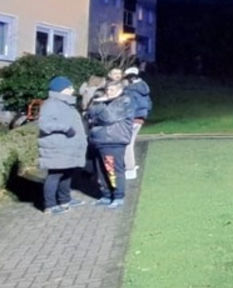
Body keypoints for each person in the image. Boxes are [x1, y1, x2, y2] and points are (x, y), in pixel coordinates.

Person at [38, 76, 88, 215]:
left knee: (67, 173)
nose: (72, 90)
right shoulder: (51, 104)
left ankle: (65, 200)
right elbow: (44, 125)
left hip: (66, 146)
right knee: (54, 175)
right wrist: (65, 128)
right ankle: (50, 205)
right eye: (69, 88)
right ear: (62, 90)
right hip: (57, 147)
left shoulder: (66, 103)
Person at [87, 80, 135, 209]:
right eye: (107, 90)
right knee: (101, 171)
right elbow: (89, 115)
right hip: (100, 140)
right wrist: (98, 109)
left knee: (113, 170)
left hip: (113, 141)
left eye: (112, 90)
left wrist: (98, 104)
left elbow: (108, 117)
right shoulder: (105, 102)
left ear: (120, 90)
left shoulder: (124, 101)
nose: (108, 92)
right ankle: (106, 195)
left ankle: (118, 196)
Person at [122, 66, 152, 180]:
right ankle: (131, 165)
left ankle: (130, 168)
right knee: (130, 142)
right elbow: (149, 104)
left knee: (127, 143)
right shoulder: (144, 87)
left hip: (132, 118)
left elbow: (129, 106)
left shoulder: (130, 90)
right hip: (140, 118)